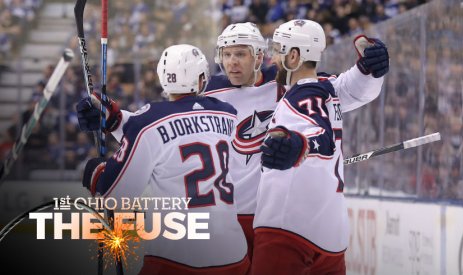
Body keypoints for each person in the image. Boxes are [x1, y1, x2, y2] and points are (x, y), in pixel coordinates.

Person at [77, 22, 389, 261]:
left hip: (274, 218)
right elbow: (160, 129)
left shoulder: (286, 83)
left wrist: (369, 71)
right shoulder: (205, 90)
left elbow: (343, 90)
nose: (232, 62)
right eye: (226, 54)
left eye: (240, 53)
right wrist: (114, 120)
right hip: (224, 220)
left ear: (259, 56)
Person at [81, 44, 249, 275]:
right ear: (201, 79)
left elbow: (115, 193)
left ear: (163, 76)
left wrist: (96, 172)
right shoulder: (227, 113)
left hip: (177, 258)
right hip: (233, 255)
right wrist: (117, 121)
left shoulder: (147, 122)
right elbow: (178, 132)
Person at [252, 19, 389, 274]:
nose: (273, 58)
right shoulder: (325, 88)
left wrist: (299, 145)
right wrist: (369, 68)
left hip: (288, 229)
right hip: (330, 236)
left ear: (293, 56)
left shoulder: (300, 96)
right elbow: (353, 88)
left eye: (278, 50)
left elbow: (320, 137)